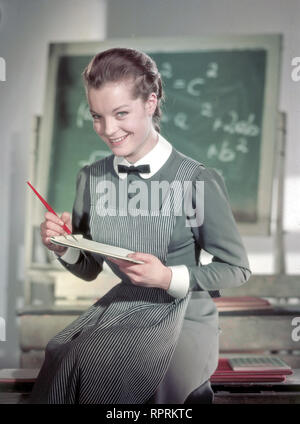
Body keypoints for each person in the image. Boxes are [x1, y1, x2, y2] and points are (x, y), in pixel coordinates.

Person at [30, 47, 251, 404]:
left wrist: (167, 278)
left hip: (185, 316)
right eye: (97, 116)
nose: (108, 129)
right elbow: (90, 269)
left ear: (150, 102)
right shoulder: (91, 178)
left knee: (127, 370)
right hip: (122, 310)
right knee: (66, 356)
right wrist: (66, 246)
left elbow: (237, 269)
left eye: (120, 114)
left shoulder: (197, 180)